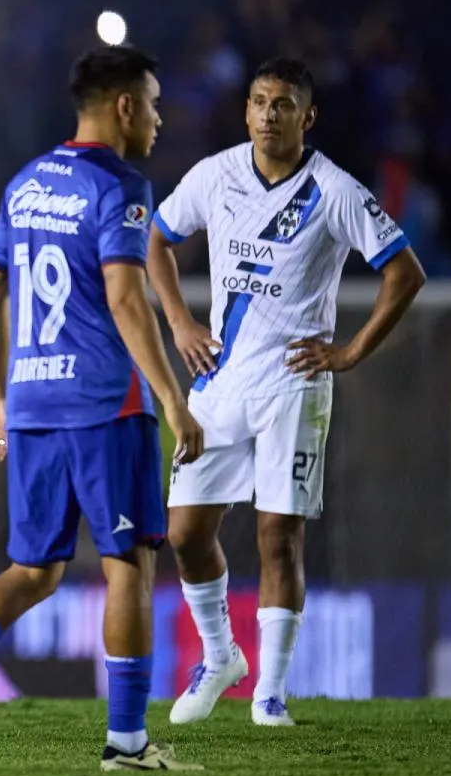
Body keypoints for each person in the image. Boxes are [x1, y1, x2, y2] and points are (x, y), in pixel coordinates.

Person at [0, 46, 204, 774]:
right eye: (154, 105)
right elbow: (128, 298)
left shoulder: (26, 182)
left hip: (33, 398)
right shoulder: (121, 183)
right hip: (105, 401)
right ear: (125, 106)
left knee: (33, 570)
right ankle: (127, 746)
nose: (160, 120)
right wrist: (173, 398)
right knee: (127, 564)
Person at [147, 58, 427, 727]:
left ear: (308, 117)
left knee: (279, 537)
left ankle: (269, 694)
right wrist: (181, 320)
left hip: (293, 384)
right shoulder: (215, 175)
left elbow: (405, 272)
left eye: (283, 104)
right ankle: (221, 657)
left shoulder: (333, 190)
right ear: (246, 110)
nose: (269, 114)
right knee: (184, 531)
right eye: (259, 101)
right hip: (219, 379)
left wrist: (351, 351)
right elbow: (156, 240)